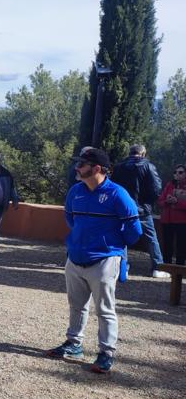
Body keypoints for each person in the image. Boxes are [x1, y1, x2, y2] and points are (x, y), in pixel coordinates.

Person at [46, 148, 142, 374]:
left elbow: (134, 229)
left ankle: (106, 352)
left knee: (105, 309)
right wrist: (80, 241)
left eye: (82, 164)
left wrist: (113, 248)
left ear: (97, 168)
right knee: (76, 305)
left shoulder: (117, 194)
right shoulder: (75, 191)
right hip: (76, 258)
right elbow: (70, 219)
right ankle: (74, 344)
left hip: (105, 260)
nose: (77, 168)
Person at [111, 144, 168, 278]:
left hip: (122, 208)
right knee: (151, 238)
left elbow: (113, 187)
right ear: (143, 153)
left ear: (130, 153)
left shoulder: (119, 167)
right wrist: (148, 203)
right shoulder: (148, 166)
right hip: (142, 210)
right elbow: (156, 188)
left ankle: (123, 267)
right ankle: (157, 268)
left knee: (121, 237)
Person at [158, 165, 186, 266]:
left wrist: (177, 202)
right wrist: (167, 201)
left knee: (181, 246)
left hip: (182, 222)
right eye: (175, 172)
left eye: (180, 172)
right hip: (167, 221)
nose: (177, 174)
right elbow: (160, 201)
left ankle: (179, 268)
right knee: (167, 246)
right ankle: (167, 267)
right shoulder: (169, 185)